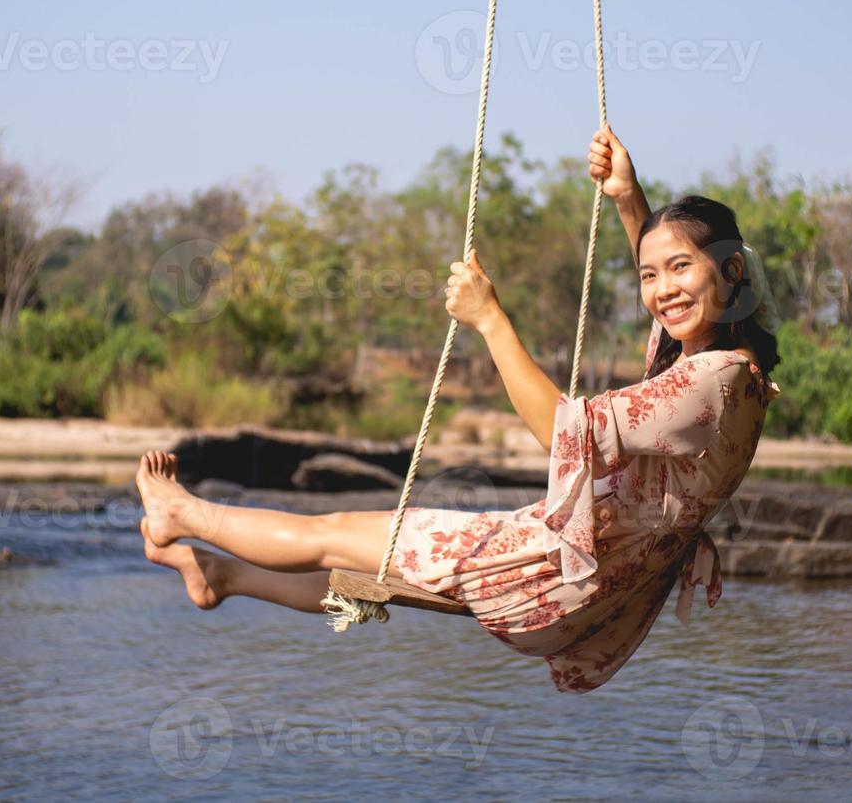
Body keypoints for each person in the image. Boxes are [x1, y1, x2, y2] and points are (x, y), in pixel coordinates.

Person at [135, 124, 782, 693]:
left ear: (729, 271)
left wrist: (490, 320)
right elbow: (672, 316)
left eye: (680, 269)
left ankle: (181, 512)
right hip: (585, 602)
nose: (662, 289)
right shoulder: (734, 368)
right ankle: (220, 577)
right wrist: (625, 198)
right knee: (374, 574)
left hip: (546, 584)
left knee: (331, 531)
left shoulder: (710, 378)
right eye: (648, 275)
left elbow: (563, 432)